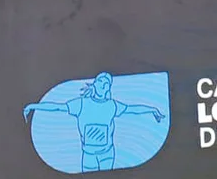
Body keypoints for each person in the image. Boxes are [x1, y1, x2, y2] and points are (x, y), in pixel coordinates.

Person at [22, 72, 165, 172]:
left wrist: (153, 110)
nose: (104, 85)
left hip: (107, 153)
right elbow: (57, 107)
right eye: (101, 82)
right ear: (95, 84)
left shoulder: (112, 105)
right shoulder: (80, 104)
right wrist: (34, 106)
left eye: (107, 84)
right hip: (88, 155)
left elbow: (133, 109)